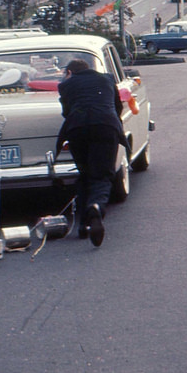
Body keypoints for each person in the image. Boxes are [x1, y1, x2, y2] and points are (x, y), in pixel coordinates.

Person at [55, 59, 129, 247]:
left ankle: (82, 225)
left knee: (85, 174)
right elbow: (117, 107)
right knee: (103, 175)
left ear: (70, 72)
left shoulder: (65, 85)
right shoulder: (106, 79)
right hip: (105, 126)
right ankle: (96, 207)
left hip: (77, 129)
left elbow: (67, 112)